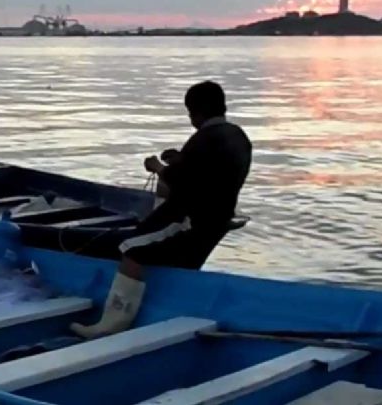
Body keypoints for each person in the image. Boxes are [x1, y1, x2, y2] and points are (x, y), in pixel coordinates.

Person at [71, 80, 252, 339]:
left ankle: (110, 325)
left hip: (191, 219)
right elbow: (211, 173)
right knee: (182, 260)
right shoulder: (238, 136)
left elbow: (181, 181)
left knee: (131, 249)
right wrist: (181, 159)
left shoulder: (204, 139)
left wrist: (158, 167)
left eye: (190, 113)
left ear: (196, 111)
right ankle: (177, 302)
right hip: (219, 217)